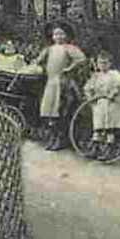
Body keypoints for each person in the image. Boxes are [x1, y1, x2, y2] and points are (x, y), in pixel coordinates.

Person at [35, 22, 87, 150]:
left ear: (67, 35)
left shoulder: (69, 48)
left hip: (63, 82)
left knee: (60, 110)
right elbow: (38, 61)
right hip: (50, 82)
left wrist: (70, 68)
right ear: (52, 36)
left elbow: (82, 59)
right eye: (56, 34)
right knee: (48, 111)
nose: (59, 37)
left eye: (61, 34)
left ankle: (60, 139)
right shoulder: (50, 49)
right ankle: (52, 137)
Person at [83, 50, 120, 160]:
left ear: (110, 63)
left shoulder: (114, 74)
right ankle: (95, 148)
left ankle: (110, 151)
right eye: (100, 63)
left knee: (110, 128)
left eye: (105, 63)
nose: (102, 65)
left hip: (112, 104)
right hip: (100, 105)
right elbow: (87, 87)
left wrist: (112, 93)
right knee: (98, 127)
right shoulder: (96, 75)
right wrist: (90, 98)